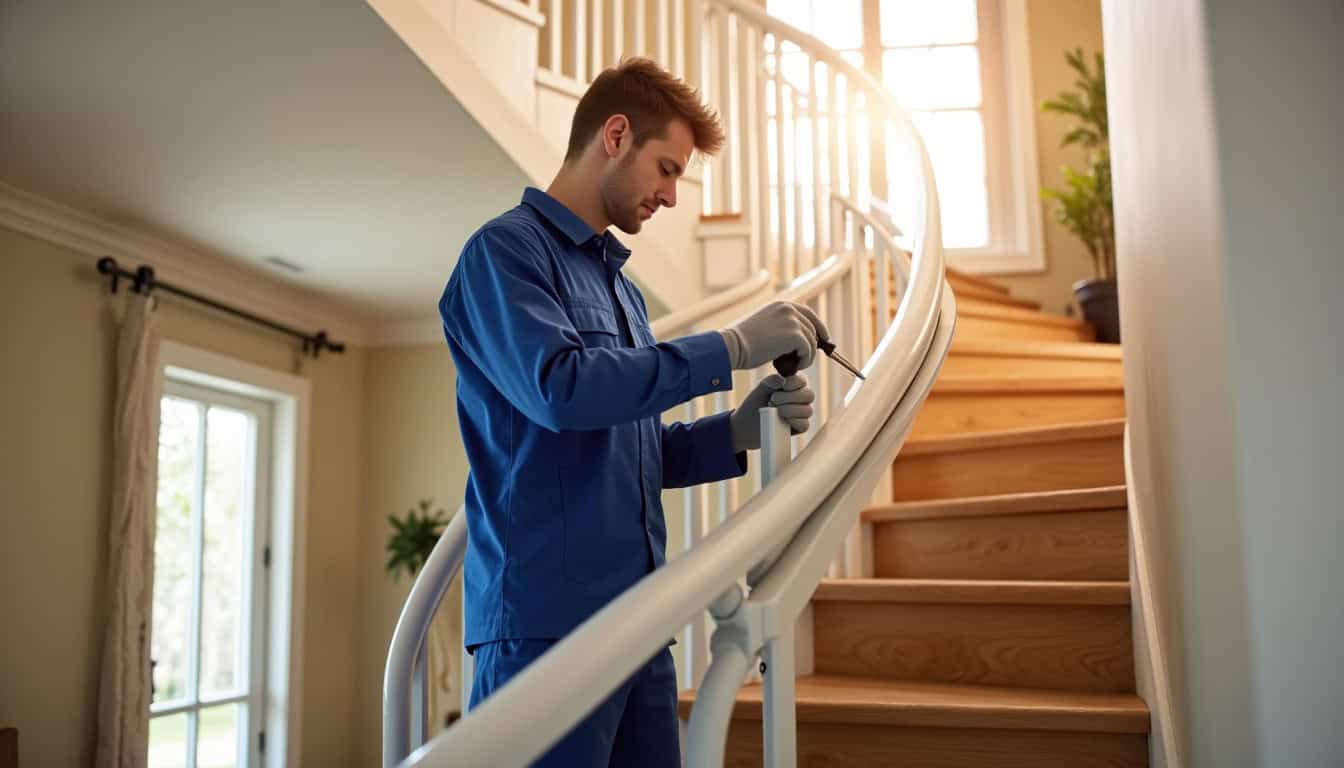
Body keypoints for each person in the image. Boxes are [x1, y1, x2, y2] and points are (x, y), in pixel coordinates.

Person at [438, 56, 829, 766]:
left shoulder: (625, 291)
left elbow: (631, 444)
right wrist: (732, 345)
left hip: (641, 619)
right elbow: (563, 390)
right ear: (615, 136)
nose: (672, 196)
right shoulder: (502, 254)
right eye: (668, 169)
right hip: (544, 627)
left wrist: (734, 430)